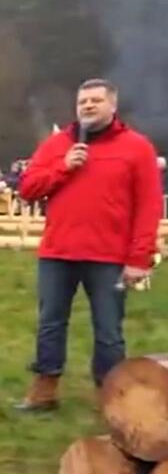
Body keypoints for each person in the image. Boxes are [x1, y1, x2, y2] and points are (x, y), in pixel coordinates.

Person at [16, 78, 162, 411]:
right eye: (83, 101)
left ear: (112, 105)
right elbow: (28, 188)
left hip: (109, 255)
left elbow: (149, 206)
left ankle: (111, 395)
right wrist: (63, 167)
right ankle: (45, 388)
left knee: (109, 330)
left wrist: (139, 257)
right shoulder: (56, 146)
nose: (88, 106)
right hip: (58, 252)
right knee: (51, 322)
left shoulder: (137, 148)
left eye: (96, 100)